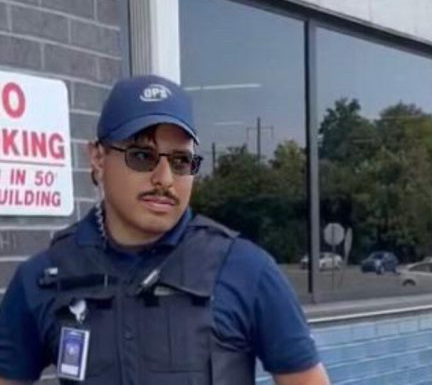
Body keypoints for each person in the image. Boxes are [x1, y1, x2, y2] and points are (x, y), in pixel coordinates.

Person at [0, 75, 330, 385]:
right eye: (142, 156)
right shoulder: (44, 277)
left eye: (180, 161)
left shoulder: (246, 270)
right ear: (98, 159)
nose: (165, 179)